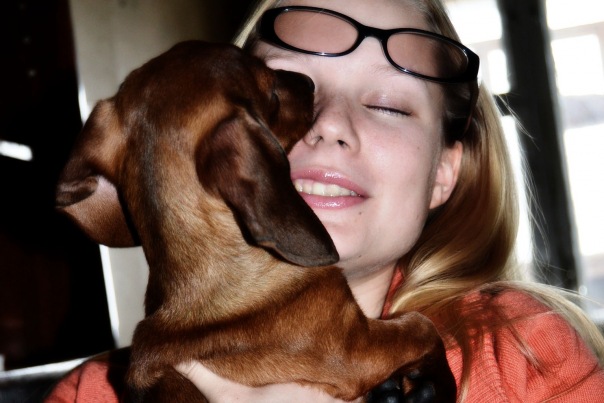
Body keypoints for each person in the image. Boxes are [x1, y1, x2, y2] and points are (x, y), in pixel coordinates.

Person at [46, 0, 604, 402]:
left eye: (387, 105)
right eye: (282, 88)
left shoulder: (526, 357)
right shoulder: (90, 395)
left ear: (442, 174)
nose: (330, 123)